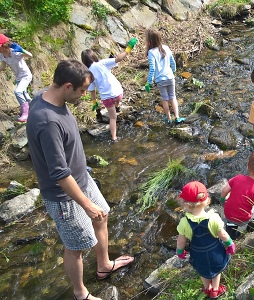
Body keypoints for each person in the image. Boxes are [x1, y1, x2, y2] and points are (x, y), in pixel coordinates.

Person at [26, 60, 134, 300]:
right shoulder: (47, 121)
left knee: (102, 215)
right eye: (82, 90)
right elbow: (59, 173)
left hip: (82, 178)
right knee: (75, 246)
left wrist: (91, 202)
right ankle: (80, 293)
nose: (85, 95)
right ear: (67, 86)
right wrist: (86, 204)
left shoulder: (46, 96)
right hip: (64, 195)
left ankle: (104, 265)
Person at [176, 181, 234, 298]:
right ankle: (215, 290)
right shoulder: (214, 218)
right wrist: (230, 244)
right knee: (216, 271)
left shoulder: (184, 222)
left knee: (203, 272)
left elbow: (181, 241)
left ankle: (207, 288)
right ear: (207, 200)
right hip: (215, 254)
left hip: (198, 255)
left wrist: (180, 252)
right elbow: (223, 235)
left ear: (185, 204)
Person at [81, 37, 137, 142]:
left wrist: (94, 102)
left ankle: (114, 137)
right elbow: (118, 59)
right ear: (93, 56)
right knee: (119, 96)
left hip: (106, 98)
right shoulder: (102, 63)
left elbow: (92, 90)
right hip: (118, 93)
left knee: (113, 118)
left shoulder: (88, 73)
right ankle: (118, 105)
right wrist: (128, 49)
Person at [145, 28, 185, 124]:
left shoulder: (151, 53)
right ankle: (177, 117)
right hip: (170, 77)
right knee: (173, 97)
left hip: (160, 80)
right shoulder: (166, 48)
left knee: (165, 99)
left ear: (149, 41)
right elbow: (172, 62)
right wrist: (174, 71)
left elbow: (153, 69)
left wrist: (149, 82)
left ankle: (169, 118)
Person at [0, 34, 33, 122]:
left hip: (26, 76)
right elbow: (3, 66)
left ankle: (26, 113)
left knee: (18, 92)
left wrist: (22, 50)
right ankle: (35, 107)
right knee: (26, 96)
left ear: (4, 46)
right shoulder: (2, 55)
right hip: (19, 77)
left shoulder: (15, 52)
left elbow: (30, 55)